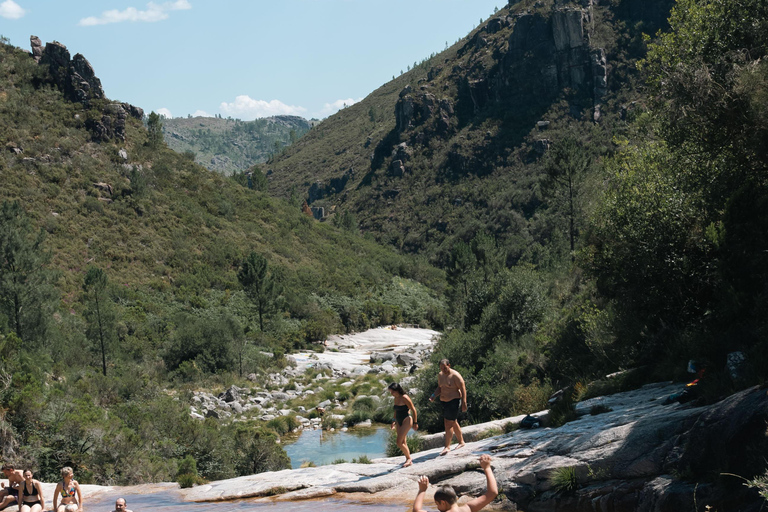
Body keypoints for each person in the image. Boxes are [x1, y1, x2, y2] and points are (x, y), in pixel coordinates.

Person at [413, 454, 497, 512]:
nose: (438, 508)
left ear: (443, 502)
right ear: (455, 498)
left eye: (437, 504)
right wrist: (487, 468)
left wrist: (422, 490)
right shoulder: (468, 508)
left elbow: (416, 510)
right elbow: (492, 493)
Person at [428, 359, 467, 455]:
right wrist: (433, 395)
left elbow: (463, 389)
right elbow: (440, 387)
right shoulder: (440, 375)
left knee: (448, 423)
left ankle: (447, 447)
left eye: (445, 368)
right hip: (444, 402)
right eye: (441, 368)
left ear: (449, 365)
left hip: (454, 401)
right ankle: (461, 442)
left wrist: (464, 402)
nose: (443, 370)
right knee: (453, 422)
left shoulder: (455, 376)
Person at [388, 382, 419, 467]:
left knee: (398, 442)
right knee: (403, 441)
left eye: (392, 392)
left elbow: (413, 409)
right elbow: (396, 410)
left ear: (397, 390)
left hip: (407, 419)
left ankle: (409, 458)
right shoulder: (395, 398)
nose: (391, 393)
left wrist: (415, 422)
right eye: (390, 392)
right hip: (398, 421)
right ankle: (407, 459)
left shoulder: (405, 397)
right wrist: (393, 421)